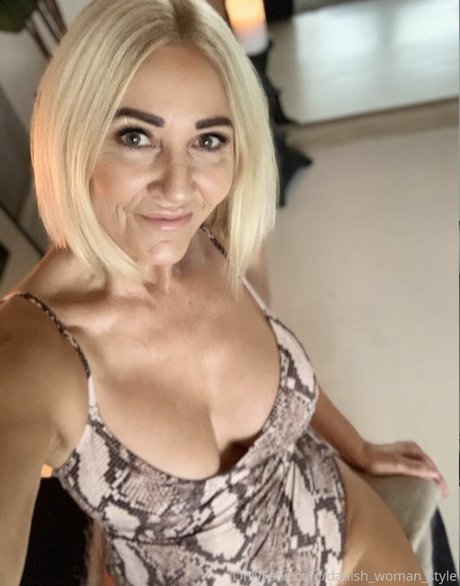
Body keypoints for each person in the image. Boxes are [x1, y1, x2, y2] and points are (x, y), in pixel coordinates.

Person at [0, 0, 447, 584]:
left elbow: (282, 369)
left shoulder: (212, 233)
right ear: (71, 136)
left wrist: (357, 447)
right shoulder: (30, 354)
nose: (179, 186)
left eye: (208, 140)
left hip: (351, 537)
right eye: (136, 136)